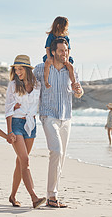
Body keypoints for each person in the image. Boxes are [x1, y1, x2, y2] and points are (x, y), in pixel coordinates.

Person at [34, 37, 84, 208]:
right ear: (53, 51)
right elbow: (29, 88)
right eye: (61, 50)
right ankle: (52, 195)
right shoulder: (41, 69)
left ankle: (52, 194)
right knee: (56, 151)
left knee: (61, 157)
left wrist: (79, 90)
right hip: (48, 116)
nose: (65, 53)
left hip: (66, 117)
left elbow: (78, 92)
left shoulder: (71, 70)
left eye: (67, 50)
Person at [5, 55, 46, 209]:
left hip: (31, 124)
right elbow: (8, 109)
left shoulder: (37, 85)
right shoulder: (13, 85)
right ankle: (34, 197)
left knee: (21, 162)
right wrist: (9, 131)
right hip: (16, 123)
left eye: (20, 69)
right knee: (25, 161)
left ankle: (12, 196)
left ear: (28, 69)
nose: (18, 72)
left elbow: (42, 101)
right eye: (16, 69)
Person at [43, 16, 76, 89]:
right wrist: (49, 58)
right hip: (52, 54)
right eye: (65, 27)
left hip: (63, 56)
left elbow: (68, 49)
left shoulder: (66, 37)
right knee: (47, 65)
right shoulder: (51, 36)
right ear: (58, 26)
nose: (66, 29)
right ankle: (46, 81)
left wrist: (66, 59)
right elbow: (47, 48)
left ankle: (74, 82)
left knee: (70, 66)